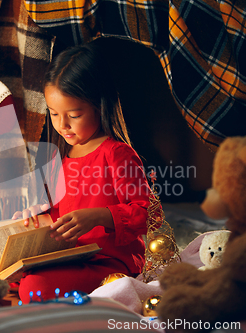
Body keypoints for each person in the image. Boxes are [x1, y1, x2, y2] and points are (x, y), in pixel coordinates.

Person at [11, 43, 159, 302]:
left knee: (34, 287)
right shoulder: (63, 156)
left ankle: (23, 290)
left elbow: (150, 215)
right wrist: (38, 217)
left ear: (99, 106)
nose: (62, 125)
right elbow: (60, 214)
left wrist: (100, 216)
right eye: (54, 113)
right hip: (70, 255)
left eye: (74, 115)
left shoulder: (116, 153)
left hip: (109, 262)